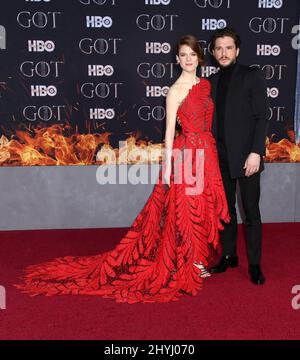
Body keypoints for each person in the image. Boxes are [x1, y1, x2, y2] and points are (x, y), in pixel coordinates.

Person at [15, 36, 229, 303]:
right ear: (176, 60)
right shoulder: (175, 91)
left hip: (207, 152)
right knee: (186, 207)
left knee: (203, 203)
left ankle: (197, 256)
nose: (188, 59)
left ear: (199, 57)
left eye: (192, 54)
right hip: (186, 154)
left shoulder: (206, 85)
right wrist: (167, 168)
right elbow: (170, 132)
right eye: (182, 55)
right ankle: (187, 261)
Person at [208, 28, 268, 285]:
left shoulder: (251, 76)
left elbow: (261, 117)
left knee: (251, 212)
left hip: (247, 158)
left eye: (228, 47)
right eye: (219, 48)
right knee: (225, 211)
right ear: (213, 52)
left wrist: (256, 152)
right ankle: (229, 255)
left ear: (237, 51)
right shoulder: (212, 82)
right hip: (219, 157)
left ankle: (254, 264)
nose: (224, 53)